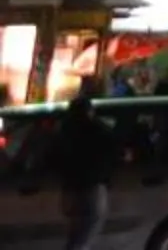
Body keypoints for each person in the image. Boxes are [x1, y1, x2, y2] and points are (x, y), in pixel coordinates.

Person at [43, 84, 120, 250]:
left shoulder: (64, 132)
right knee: (82, 240)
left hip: (70, 190)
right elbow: (114, 153)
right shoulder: (99, 131)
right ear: (90, 112)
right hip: (91, 190)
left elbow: (52, 158)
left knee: (76, 236)